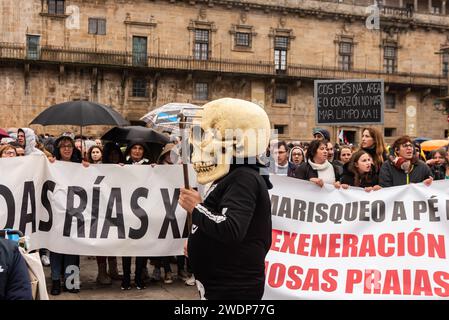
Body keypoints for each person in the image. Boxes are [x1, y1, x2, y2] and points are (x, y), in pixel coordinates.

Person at [179, 97, 272, 300]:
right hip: (221, 284)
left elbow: (231, 229)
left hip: (233, 288)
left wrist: (197, 208)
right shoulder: (231, 176)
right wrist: (198, 236)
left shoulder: (243, 178)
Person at [48, 136, 83, 295]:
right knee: (56, 248)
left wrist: (87, 168)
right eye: (63, 147)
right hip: (56, 212)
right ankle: (56, 280)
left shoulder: (80, 166)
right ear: (58, 149)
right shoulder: (51, 165)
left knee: (72, 248)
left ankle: (71, 281)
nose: (67, 149)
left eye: (69, 146)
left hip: (75, 212)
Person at [121, 141, 151, 290]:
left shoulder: (150, 165)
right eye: (134, 148)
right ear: (130, 150)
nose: (137, 151)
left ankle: (139, 278)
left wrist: (156, 170)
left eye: (140, 149)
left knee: (141, 247)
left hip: (143, 211)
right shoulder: (122, 164)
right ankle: (126, 278)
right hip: (126, 210)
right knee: (126, 247)